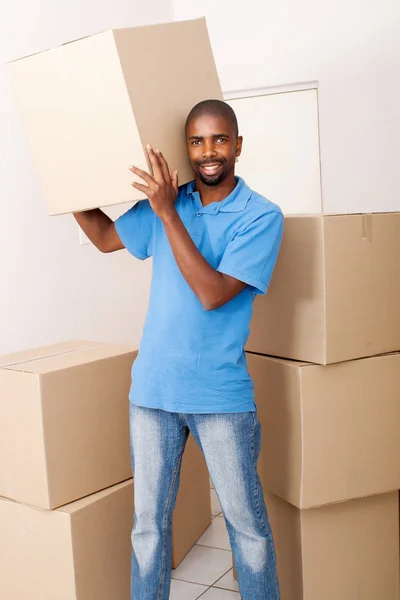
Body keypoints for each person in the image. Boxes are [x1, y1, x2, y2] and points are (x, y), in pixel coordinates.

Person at [74, 99, 283, 600]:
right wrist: (67, 178)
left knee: (247, 533)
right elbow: (104, 238)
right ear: (185, 147)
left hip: (220, 397)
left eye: (217, 139)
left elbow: (212, 294)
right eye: (196, 141)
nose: (207, 151)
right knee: (148, 529)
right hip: (152, 392)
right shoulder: (171, 199)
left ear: (237, 145)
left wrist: (167, 213)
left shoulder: (262, 216)